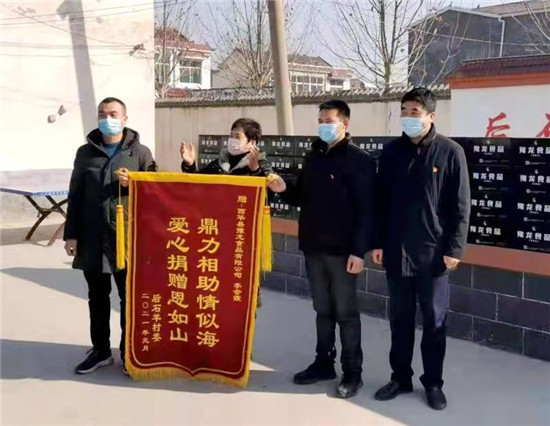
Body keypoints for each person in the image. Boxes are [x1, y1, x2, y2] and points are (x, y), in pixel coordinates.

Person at [271, 100, 377, 399]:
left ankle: (352, 372)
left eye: (329, 121)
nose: (323, 126)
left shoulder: (359, 160)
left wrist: (359, 251)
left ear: (345, 123)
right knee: (322, 310)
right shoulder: (314, 155)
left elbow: (367, 211)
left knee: (346, 313)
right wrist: (283, 188)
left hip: (343, 252)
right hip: (314, 247)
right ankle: (323, 363)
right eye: (320, 121)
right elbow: (301, 195)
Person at [372, 87, 470, 410]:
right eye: (404, 111)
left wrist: (454, 248)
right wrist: (377, 242)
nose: (408, 117)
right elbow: (380, 202)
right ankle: (400, 377)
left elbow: (461, 205)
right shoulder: (392, 153)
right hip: (397, 251)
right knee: (399, 320)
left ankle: (433, 383)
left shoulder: (450, 152)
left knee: (434, 321)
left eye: (414, 112)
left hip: (433, 254)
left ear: (431, 116)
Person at [64, 97, 157, 375]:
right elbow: (75, 195)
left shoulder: (140, 153)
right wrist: (71, 235)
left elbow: (156, 193)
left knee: (129, 298)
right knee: (97, 297)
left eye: (114, 114)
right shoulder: (85, 153)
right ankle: (101, 351)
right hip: (92, 237)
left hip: (126, 239)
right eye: (103, 114)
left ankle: (129, 353)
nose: (108, 119)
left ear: (125, 119)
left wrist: (135, 183)